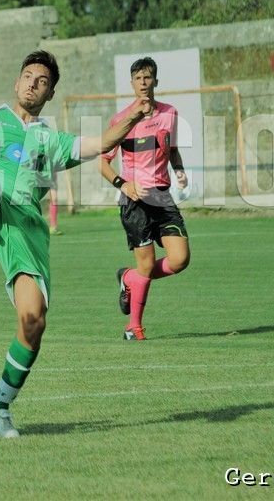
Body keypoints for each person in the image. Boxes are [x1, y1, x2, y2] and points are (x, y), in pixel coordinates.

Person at [0, 50, 148, 439]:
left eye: (42, 82)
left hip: (23, 231)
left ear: (50, 94)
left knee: (33, 321)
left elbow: (104, 141)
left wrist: (134, 116)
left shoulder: (51, 140)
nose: (33, 84)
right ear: (16, 81)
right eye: (28, 76)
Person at [99, 57, 191, 342]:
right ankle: (133, 326)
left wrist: (179, 171)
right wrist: (123, 184)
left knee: (180, 259)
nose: (143, 83)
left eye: (147, 78)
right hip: (135, 202)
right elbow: (102, 163)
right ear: (131, 84)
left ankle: (130, 278)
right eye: (138, 78)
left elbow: (171, 148)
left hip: (162, 198)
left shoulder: (169, 113)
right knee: (148, 264)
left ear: (155, 82)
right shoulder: (121, 120)